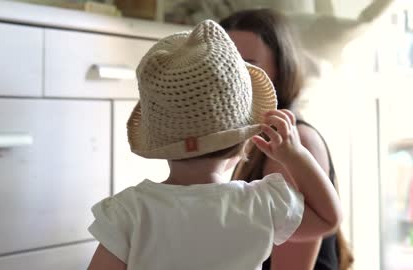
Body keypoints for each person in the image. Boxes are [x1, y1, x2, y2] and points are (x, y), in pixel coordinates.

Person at [85, 19, 342, 270]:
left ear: (159, 141)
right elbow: (328, 219)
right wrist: (295, 156)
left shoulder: (129, 212)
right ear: (244, 141)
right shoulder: (262, 204)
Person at [219, 8, 354, 270]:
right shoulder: (257, 135)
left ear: (279, 71)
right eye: (225, 63)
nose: (232, 77)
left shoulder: (291, 145)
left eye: (249, 65)